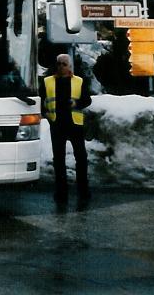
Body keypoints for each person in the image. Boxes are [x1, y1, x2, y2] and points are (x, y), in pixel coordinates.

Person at [41, 53, 92, 206]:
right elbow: (42, 100)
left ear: (70, 66)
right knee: (59, 159)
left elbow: (87, 100)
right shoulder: (47, 81)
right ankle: (61, 192)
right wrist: (47, 115)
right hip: (57, 124)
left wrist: (76, 103)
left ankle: (83, 190)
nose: (61, 66)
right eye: (59, 64)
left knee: (81, 158)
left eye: (64, 64)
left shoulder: (79, 81)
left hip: (74, 124)